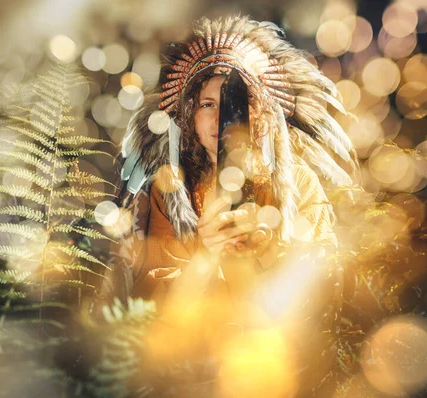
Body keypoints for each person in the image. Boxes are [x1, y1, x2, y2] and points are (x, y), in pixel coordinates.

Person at [94, 15, 359, 395]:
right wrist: (204, 253)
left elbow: (326, 281)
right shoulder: (169, 191)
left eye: (238, 101)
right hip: (187, 373)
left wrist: (269, 254)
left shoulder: (296, 183)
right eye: (206, 104)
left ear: (262, 114)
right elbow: (146, 297)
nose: (220, 117)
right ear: (189, 117)